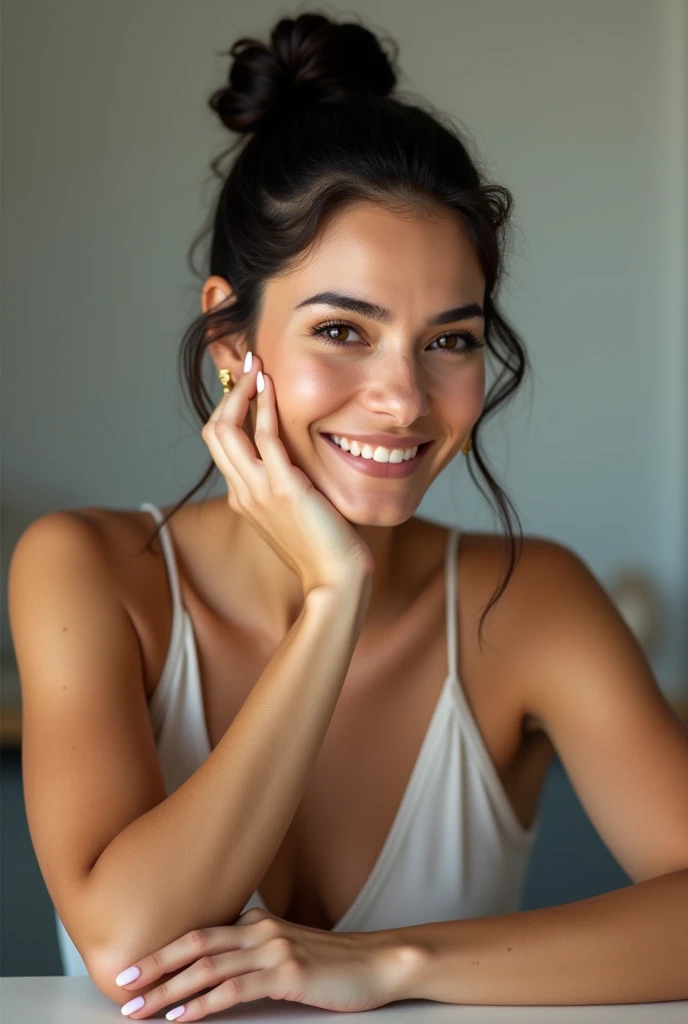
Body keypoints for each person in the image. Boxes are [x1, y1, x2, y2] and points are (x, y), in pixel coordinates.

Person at [10, 10, 688, 1018]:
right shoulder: (86, 570)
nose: (404, 398)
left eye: (449, 341)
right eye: (342, 330)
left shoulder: (530, 600)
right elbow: (130, 951)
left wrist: (392, 963)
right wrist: (334, 598)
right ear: (232, 345)